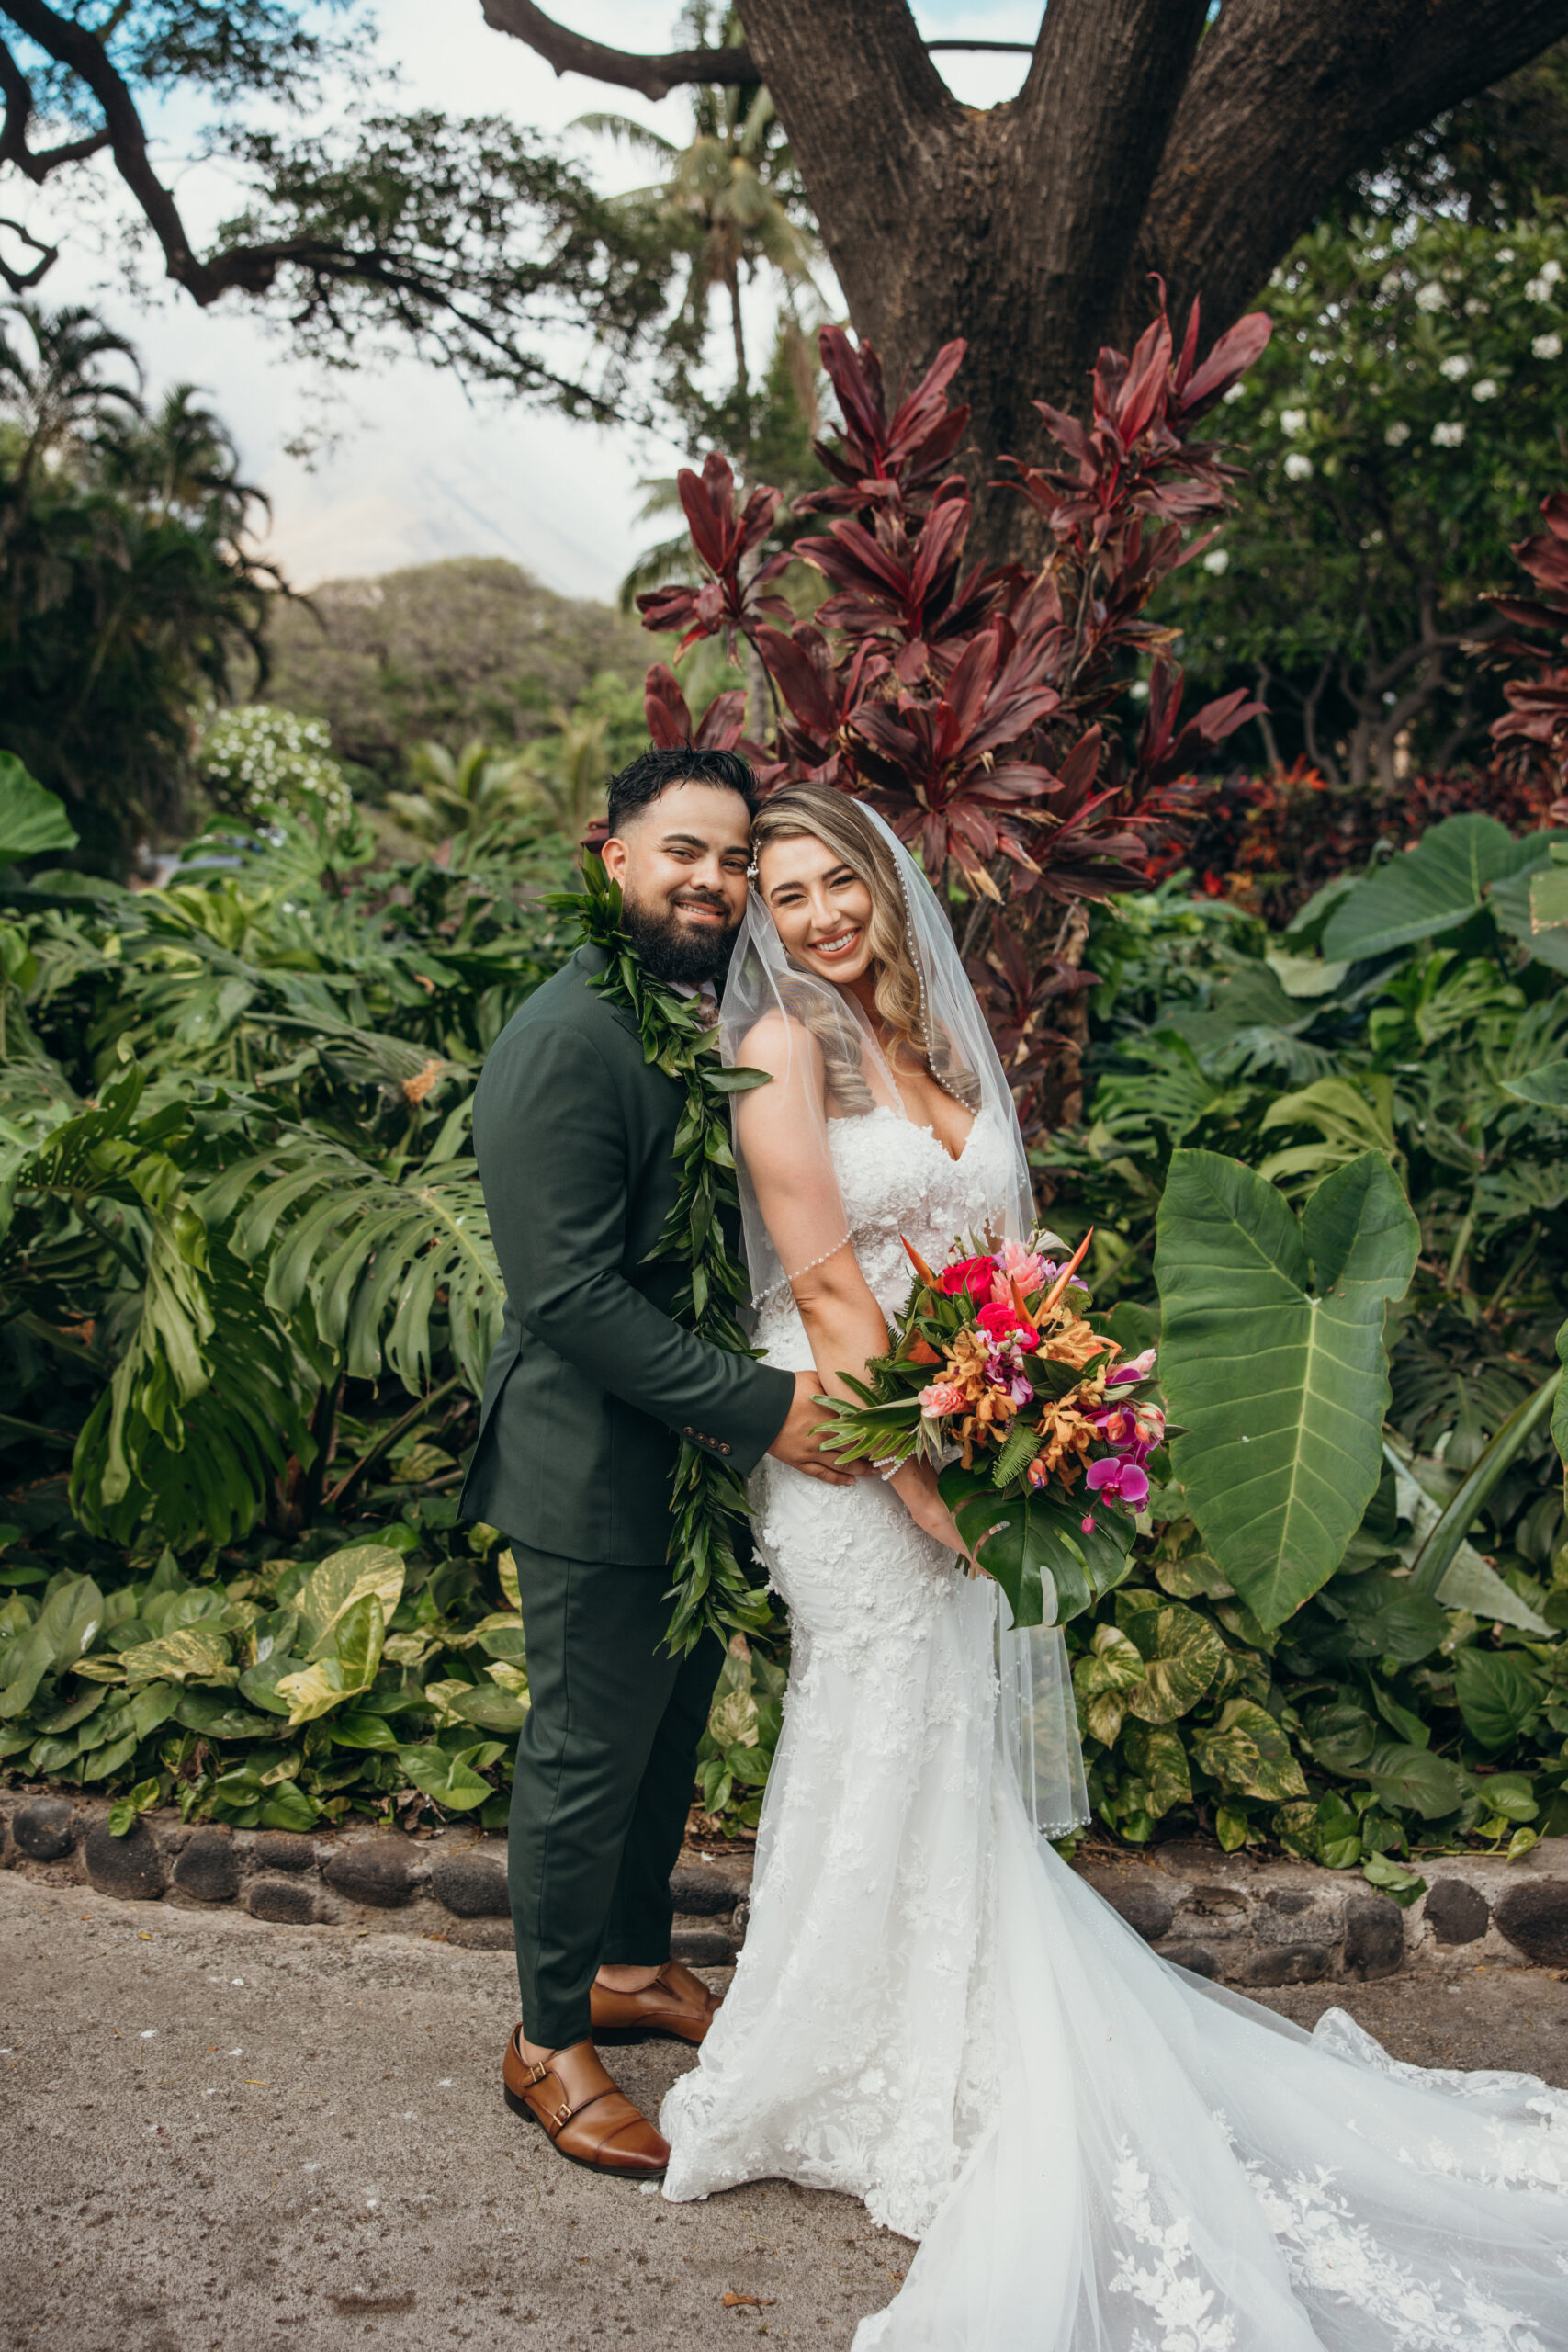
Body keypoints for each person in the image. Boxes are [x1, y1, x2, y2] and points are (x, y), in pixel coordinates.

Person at [659, 782, 1568, 2346]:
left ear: (880, 883)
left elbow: (1004, 1256)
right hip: (852, 1439)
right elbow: (821, 1279)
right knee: (873, 1720)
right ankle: (823, 2062)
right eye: (782, 895)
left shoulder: (936, 1044)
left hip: (961, 1424)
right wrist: (926, 1477)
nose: (813, 916)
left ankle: (939, 2041)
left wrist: (1036, 1416)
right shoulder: (778, 1049)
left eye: (833, 884)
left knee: (946, 1742)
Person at [460, 745, 855, 2179]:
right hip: (590, 1463)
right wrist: (766, 1407)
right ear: (610, 854)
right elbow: (564, 1295)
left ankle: (631, 1963)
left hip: (685, 1464)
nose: (715, 880)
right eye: (684, 851)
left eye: (734, 858)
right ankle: (546, 2037)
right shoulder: (569, 1036)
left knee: (664, 1733)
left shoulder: (698, 1013)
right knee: (584, 1753)